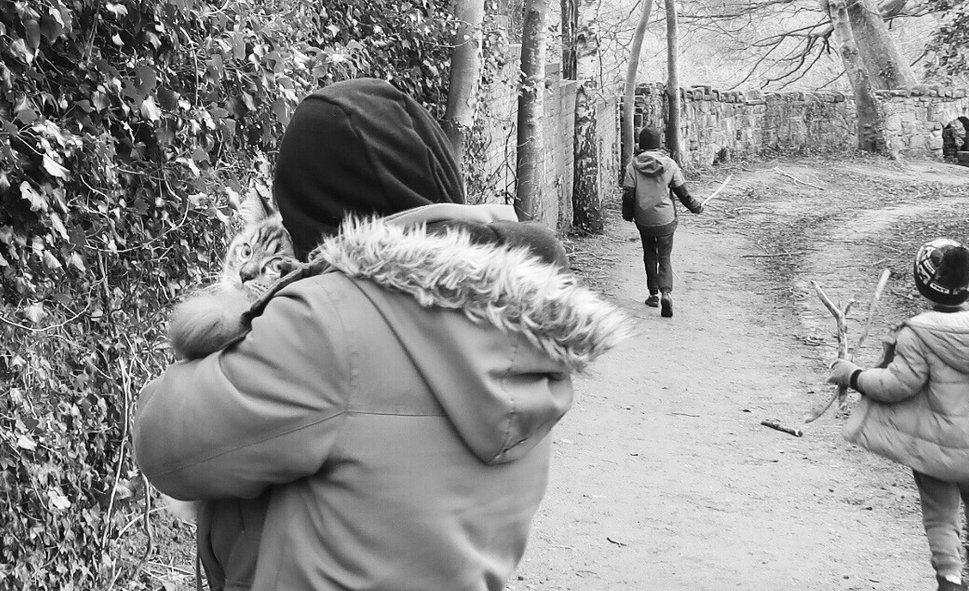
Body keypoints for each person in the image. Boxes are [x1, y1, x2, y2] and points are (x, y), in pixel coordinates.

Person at [131, 77, 628, 591]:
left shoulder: (330, 322)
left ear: (320, 214)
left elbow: (165, 442)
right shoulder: (526, 322)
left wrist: (235, 318)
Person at [826, 238, 969, 591]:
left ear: (922, 285)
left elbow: (896, 386)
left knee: (940, 513)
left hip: (937, 448)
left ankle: (950, 578)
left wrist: (852, 375)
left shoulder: (920, 332)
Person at [620, 125, 703, 318]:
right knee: (664, 256)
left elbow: (629, 196)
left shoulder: (632, 166)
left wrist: (628, 215)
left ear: (642, 144)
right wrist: (695, 207)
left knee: (649, 254)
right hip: (666, 219)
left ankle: (653, 294)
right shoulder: (670, 165)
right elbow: (683, 193)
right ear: (659, 144)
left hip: (644, 219)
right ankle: (666, 292)